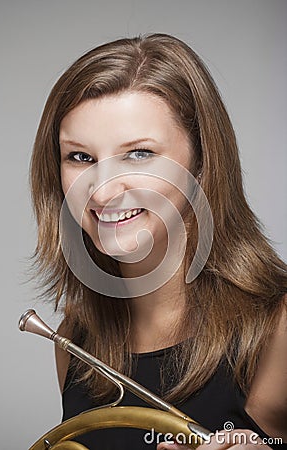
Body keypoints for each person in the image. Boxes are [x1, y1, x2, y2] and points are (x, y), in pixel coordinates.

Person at [30, 34, 287, 450]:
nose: (102, 192)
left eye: (138, 153)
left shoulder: (280, 327)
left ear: (202, 162)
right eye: (80, 157)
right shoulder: (73, 339)